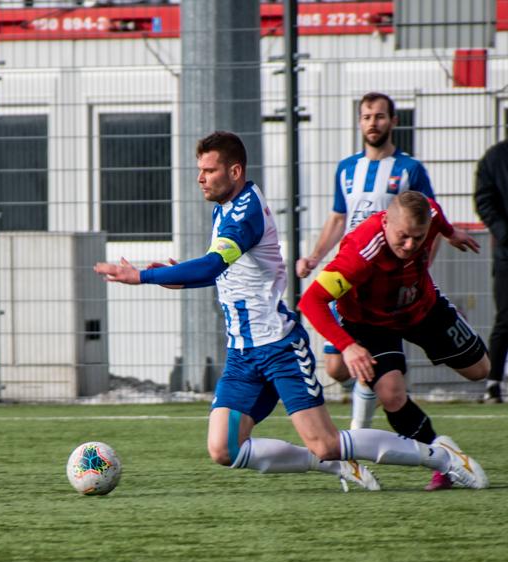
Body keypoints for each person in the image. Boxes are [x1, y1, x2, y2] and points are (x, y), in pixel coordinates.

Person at [95, 131, 488, 491]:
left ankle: (443, 457)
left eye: (209, 170)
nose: (200, 178)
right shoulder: (227, 207)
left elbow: (213, 266)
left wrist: (142, 276)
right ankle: (332, 466)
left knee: (327, 441)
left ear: (234, 171)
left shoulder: (245, 212)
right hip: (242, 351)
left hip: (278, 348)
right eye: (200, 170)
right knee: (223, 448)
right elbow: (227, 273)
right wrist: (176, 276)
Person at [298, 191, 488, 490]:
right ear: (386, 222)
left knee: (480, 370)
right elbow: (311, 301)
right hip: (371, 323)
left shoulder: (428, 215)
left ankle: (367, 384)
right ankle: (445, 459)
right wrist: (348, 346)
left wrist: (451, 233)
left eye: (418, 237)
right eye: (403, 237)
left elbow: (435, 213)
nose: (411, 245)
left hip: (422, 306)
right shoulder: (360, 253)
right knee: (392, 395)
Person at [296, 92, 436, 433]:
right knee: (335, 367)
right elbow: (338, 218)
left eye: (380, 116)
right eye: (367, 116)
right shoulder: (347, 168)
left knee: (370, 358)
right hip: (350, 274)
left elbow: (430, 223)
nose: (373, 123)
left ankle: (359, 429)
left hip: (386, 281)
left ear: (394, 121)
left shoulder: (410, 169)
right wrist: (314, 257)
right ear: (359, 122)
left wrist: (419, 271)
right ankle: (368, 391)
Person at [474, 137, 508, 404]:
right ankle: (493, 383)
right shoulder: (495, 158)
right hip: (506, 255)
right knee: (505, 318)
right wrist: (504, 234)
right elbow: (483, 200)